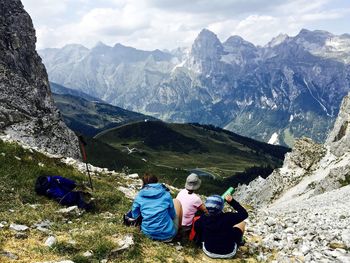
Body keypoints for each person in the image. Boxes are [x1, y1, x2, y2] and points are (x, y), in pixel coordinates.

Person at [131, 173, 182, 241]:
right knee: (176, 202)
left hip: (147, 235)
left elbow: (135, 216)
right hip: (167, 236)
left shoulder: (139, 196)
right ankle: (180, 231)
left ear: (144, 183)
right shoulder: (166, 194)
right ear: (156, 181)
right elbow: (172, 215)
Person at [194, 194, 248, 259]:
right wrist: (232, 201)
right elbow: (244, 214)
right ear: (221, 207)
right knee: (242, 223)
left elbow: (196, 227)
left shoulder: (203, 218)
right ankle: (239, 241)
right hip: (229, 253)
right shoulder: (228, 217)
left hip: (208, 251)